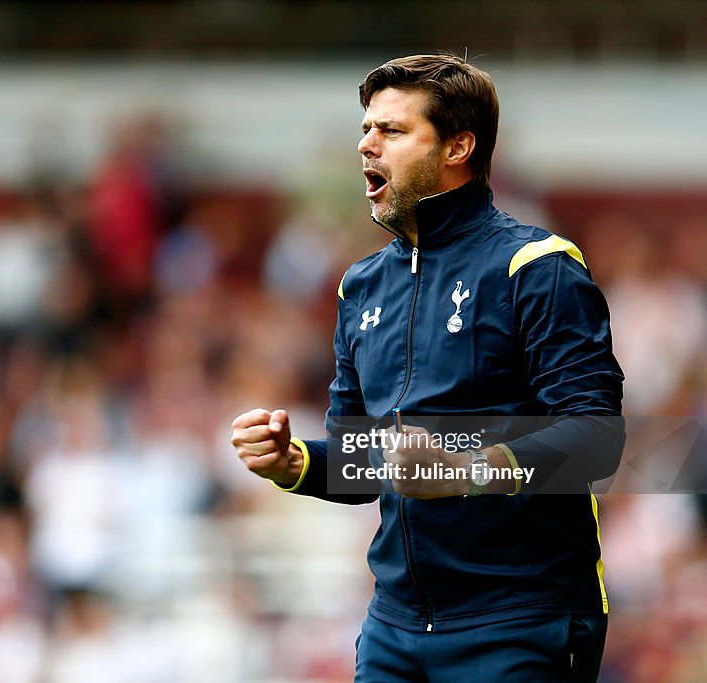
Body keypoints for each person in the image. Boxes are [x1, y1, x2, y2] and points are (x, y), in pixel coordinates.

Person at [231, 54, 625, 682]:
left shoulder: (537, 266)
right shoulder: (360, 286)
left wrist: (460, 471)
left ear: (458, 147)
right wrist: (295, 462)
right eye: (365, 129)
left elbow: (595, 442)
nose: (366, 145)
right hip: (395, 627)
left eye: (391, 131)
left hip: (521, 622)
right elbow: (364, 465)